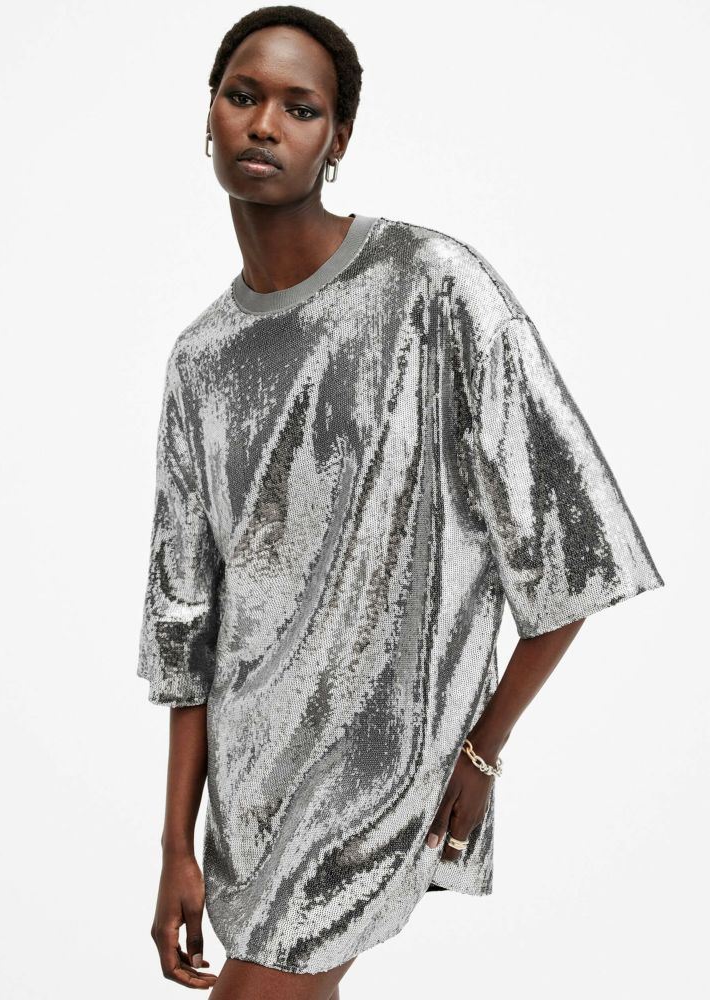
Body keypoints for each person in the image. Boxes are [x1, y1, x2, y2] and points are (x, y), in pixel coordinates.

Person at [136, 6, 665, 998]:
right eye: (242, 96)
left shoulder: (432, 285)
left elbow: (572, 537)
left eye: (300, 108)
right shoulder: (201, 359)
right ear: (207, 115)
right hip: (249, 783)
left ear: (337, 139)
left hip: (378, 765)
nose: (264, 124)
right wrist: (175, 844)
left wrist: (482, 751)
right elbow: (185, 622)